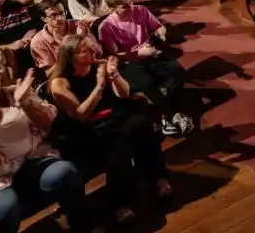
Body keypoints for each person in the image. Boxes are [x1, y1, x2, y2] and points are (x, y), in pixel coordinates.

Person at [0, 56, 96, 233]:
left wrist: (25, 102)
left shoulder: (15, 92)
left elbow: (47, 121)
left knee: (64, 172)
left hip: (31, 160)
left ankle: (83, 226)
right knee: (4, 208)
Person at [49, 35, 171, 223]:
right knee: (119, 140)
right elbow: (81, 114)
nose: (92, 52)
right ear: (71, 57)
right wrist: (99, 85)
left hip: (113, 119)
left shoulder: (99, 65)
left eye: (91, 47)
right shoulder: (60, 83)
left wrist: (114, 74)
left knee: (139, 123)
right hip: (87, 130)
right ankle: (123, 199)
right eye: (85, 50)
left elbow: (123, 93)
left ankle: (153, 179)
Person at [97, 0, 193, 136]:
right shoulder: (105, 27)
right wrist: (139, 53)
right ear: (112, 9)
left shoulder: (140, 10)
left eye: (130, 2)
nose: (131, 7)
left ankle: (165, 114)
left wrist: (161, 31)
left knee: (177, 72)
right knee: (147, 83)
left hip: (150, 55)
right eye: (125, 6)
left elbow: (159, 26)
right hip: (129, 63)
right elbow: (116, 56)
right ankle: (171, 116)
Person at [29, 0, 102, 74]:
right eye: (53, 15)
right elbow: (49, 74)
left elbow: (98, 51)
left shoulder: (77, 25)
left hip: (91, 69)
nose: (60, 18)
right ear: (44, 19)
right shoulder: (38, 42)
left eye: (62, 13)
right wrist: (65, 55)